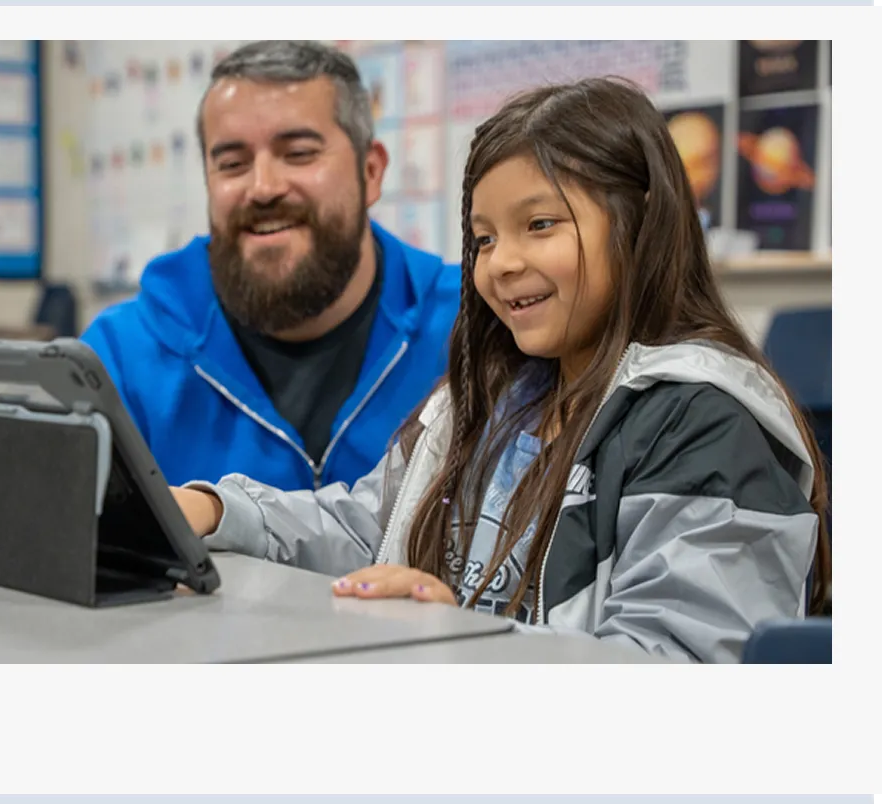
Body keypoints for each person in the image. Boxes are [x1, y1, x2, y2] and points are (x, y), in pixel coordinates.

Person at [172, 77, 831, 664]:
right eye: (484, 239)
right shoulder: (495, 397)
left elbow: (677, 671)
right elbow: (366, 527)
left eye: (538, 225)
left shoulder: (704, 420)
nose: (500, 263)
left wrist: (461, 640)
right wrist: (211, 509)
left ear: (640, 223)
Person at [80, 41, 460, 490]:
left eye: (298, 153)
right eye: (233, 163)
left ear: (370, 172)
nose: (263, 188)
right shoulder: (121, 359)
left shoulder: (471, 331)